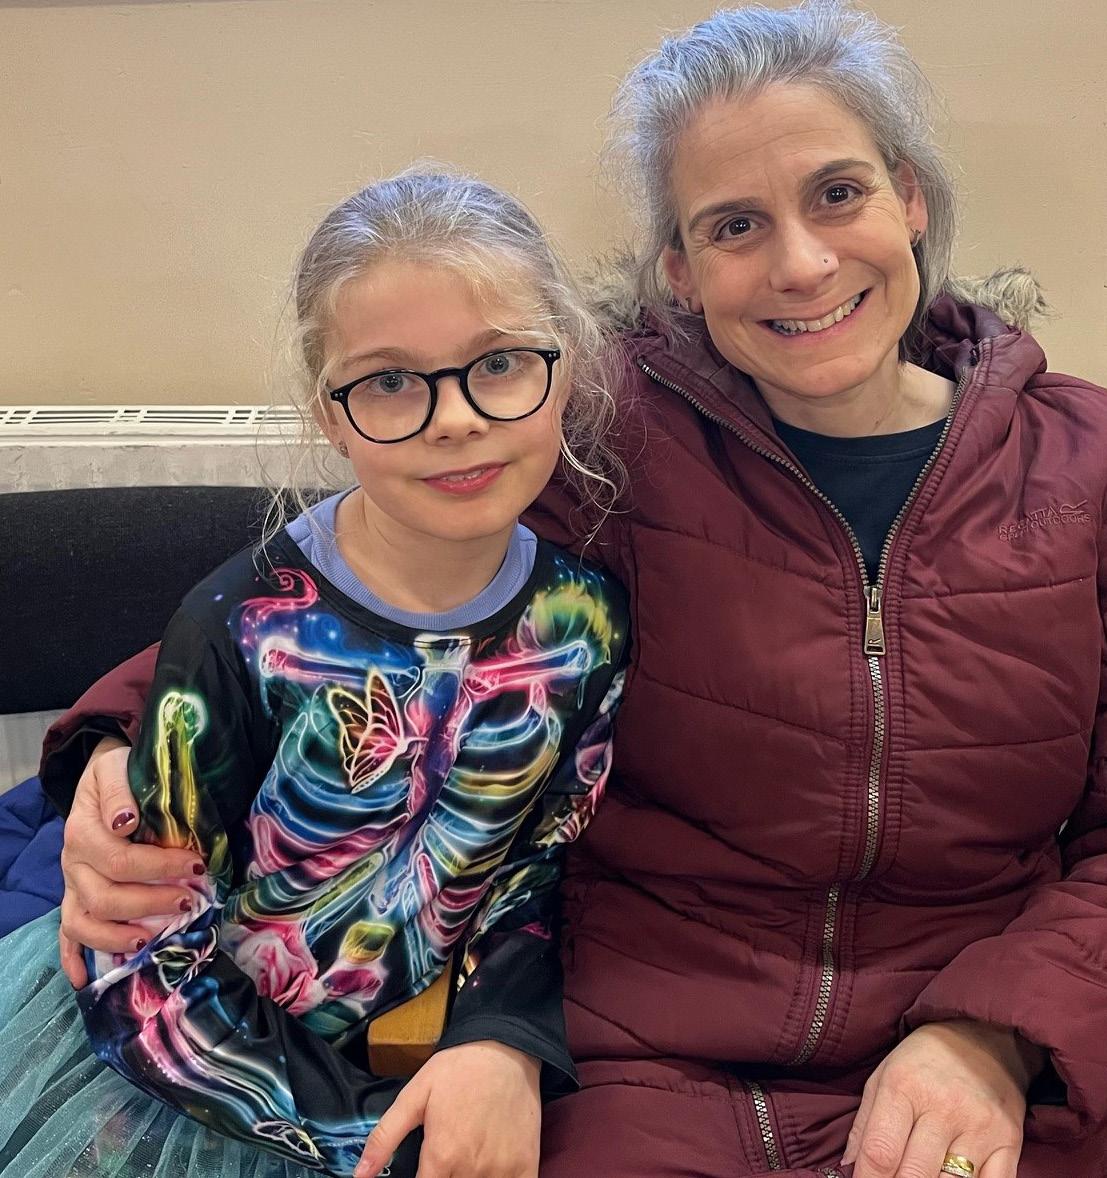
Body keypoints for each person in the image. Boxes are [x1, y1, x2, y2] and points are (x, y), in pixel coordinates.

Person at [32, 1, 1107, 1175]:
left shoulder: (1082, 465)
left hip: (981, 1049)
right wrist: (114, 748)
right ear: (679, 271)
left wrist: (997, 1031)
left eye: (838, 193)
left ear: (909, 197)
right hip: (637, 1055)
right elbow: (350, 589)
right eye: (735, 224)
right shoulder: (603, 439)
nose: (802, 262)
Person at [0, 169, 630, 1178]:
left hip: (402, 1049)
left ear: (567, 373)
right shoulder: (241, 630)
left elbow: (536, 865)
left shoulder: (587, 623)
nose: (454, 418)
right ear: (328, 412)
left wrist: (499, 1035)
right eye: (389, 381)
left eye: (500, 362)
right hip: (191, 1075)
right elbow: (140, 961)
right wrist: (369, 1133)